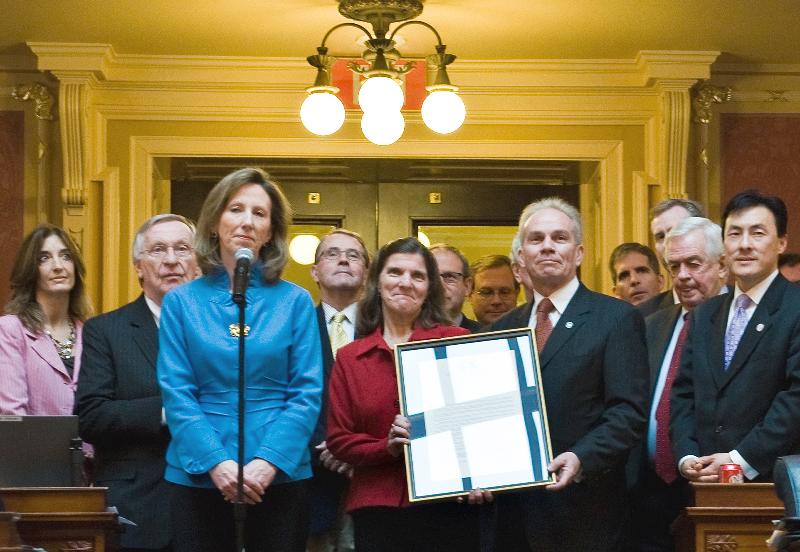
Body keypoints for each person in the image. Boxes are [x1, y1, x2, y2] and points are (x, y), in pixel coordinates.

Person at [157, 168, 322, 552]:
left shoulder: (295, 301)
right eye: (236, 209)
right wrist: (217, 462)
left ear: (270, 231)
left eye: (259, 214)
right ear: (216, 222)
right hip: (198, 474)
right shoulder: (182, 302)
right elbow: (177, 392)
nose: (247, 221)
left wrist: (268, 462)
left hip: (279, 476)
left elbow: (306, 393)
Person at [488, 197, 648, 551]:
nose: (547, 246)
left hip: (585, 512)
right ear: (522, 256)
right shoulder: (503, 328)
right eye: (536, 239)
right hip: (511, 515)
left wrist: (581, 457)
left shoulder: (616, 319)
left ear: (578, 253)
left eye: (559, 238)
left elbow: (628, 414)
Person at [326, 237, 480, 552]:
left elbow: (482, 423)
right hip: (378, 509)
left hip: (450, 504)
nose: (405, 283)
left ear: (429, 288)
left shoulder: (458, 342)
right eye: (395, 272)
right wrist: (387, 447)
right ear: (378, 282)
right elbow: (339, 439)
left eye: (418, 275)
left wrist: (485, 473)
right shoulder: (351, 357)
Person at [75, 214, 198, 552]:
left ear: (198, 263)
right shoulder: (106, 331)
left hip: (212, 506)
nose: (172, 260)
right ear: (139, 267)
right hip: (139, 507)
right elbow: (90, 415)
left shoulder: (225, 329)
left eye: (183, 249)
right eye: (158, 250)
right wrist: (168, 411)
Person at [671, 190, 800, 484]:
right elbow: (683, 394)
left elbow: (795, 400)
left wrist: (738, 460)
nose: (744, 245)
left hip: (774, 486)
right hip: (704, 484)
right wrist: (688, 456)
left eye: (757, 233)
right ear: (724, 247)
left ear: (781, 242)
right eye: (734, 234)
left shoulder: (795, 308)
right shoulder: (705, 314)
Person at [628, 217, 727, 552]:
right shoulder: (651, 324)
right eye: (674, 266)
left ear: (722, 266)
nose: (682, 275)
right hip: (648, 496)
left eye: (694, 264)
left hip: (713, 488)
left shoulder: (739, 324)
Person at [307, 228, 369, 552]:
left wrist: (355, 450)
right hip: (309, 482)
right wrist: (329, 446)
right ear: (315, 272)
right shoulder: (295, 325)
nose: (343, 259)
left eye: (353, 254)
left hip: (370, 480)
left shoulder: (384, 328)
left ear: (366, 273)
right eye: (332, 253)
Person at [0, 224, 91, 415]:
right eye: (44, 258)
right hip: (33, 444)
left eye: (66, 256)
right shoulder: (10, 330)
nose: (58, 266)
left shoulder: (92, 333)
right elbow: (12, 414)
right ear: (30, 270)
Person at [638, 198, 705, 317]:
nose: (666, 244)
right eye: (660, 237)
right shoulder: (644, 316)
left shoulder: (737, 305)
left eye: (675, 231)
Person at [430, 243, 480, 331]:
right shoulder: (403, 339)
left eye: (449, 277)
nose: (440, 286)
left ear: (467, 286)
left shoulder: (485, 337)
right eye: (432, 277)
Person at [468, 254, 519, 326]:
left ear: (516, 293)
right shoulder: (457, 336)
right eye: (486, 292)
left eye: (504, 292)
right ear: (470, 294)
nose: (496, 301)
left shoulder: (535, 333)